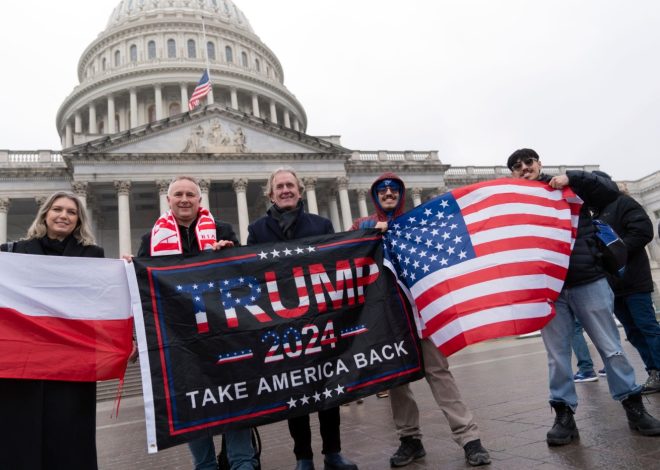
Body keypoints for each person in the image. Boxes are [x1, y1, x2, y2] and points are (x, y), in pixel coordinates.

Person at [507, 148, 660, 445]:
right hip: (547, 287)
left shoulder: (571, 187)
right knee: (557, 357)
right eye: (517, 166)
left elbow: (608, 188)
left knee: (611, 348)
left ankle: (633, 407)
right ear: (512, 173)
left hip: (587, 278)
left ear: (539, 163)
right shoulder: (514, 202)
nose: (524, 168)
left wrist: (571, 177)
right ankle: (563, 414)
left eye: (529, 161)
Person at [350, 173, 491, 468]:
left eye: (393, 190)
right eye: (382, 190)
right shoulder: (364, 225)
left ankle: (469, 438)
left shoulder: (418, 221)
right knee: (398, 379)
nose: (388, 194)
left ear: (401, 195)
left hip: (421, 309)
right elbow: (349, 243)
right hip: (389, 315)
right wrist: (373, 228)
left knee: (439, 372)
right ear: (375, 196)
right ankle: (409, 439)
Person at [132, 176, 256, 470]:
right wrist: (129, 269)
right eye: (178, 194)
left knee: (234, 396)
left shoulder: (223, 231)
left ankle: (243, 463)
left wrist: (230, 253)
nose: (184, 199)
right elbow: (142, 291)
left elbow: (244, 279)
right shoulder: (150, 240)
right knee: (190, 402)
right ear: (168, 199)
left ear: (200, 200)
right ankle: (205, 466)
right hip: (179, 337)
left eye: (190, 194)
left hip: (222, 332)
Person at [247, 167, 357, 470]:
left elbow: (337, 262)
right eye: (279, 186)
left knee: (328, 389)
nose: (285, 190)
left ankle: (333, 453)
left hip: (320, 317)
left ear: (300, 190)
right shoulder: (257, 230)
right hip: (283, 323)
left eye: (290, 186)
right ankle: (303, 457)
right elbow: (251, 271)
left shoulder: (321, 223)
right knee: (294, 392)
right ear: (270, 193)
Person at [0, 191, 105, 469]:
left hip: (71, 360)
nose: (64, 216)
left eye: (71, 212)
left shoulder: (92, 255)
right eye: (57, 209)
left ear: (79, 220)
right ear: (45, 214)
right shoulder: (13, 253)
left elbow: (102, 301)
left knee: (69, 434)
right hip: (24, 361)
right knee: (20, 433)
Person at [589, 171, 660, 395]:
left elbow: (643, 232)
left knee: (647, 327)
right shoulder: (596, 213)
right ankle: (654, 371)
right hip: (614, 284)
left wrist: (614, 251)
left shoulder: (623, 202)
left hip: (635, 278)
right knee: (632, 331)